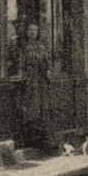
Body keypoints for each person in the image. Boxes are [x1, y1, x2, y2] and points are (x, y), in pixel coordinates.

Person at [14, 21, 51, 149]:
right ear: (26, 32)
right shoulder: (23, 46)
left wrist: (47, 71)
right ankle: (29, 138)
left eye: (35, 30)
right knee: (31, 107)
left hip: (41, 79)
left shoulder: (41, 46)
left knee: (42, 108)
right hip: (29, 79)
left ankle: (42, 139)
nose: (32, 32)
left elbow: (47, 61)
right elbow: (20, 63)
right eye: (30, 30)